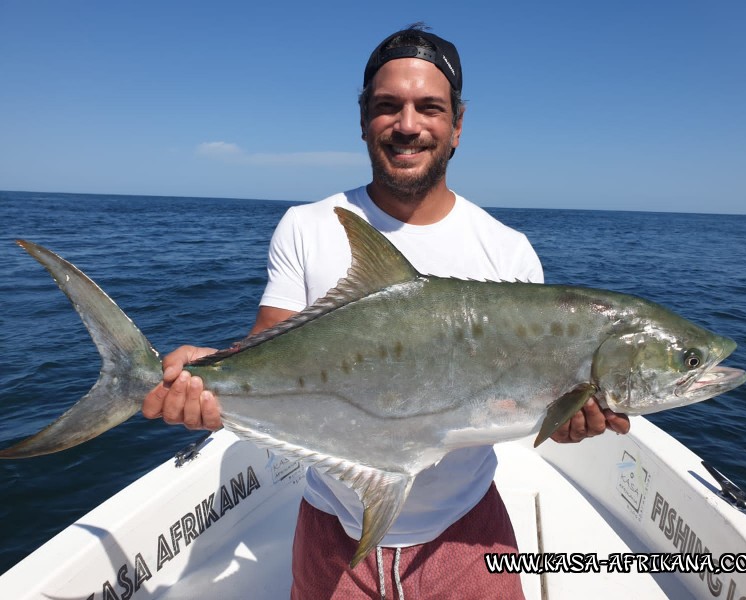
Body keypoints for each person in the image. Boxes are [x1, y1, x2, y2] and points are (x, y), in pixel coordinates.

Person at [143, 24, 630, 599]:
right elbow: (268, 348)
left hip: (467, 536)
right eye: (387, 107)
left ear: (457, 126)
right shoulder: (307, 226)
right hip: (330, 534)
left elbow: (526, 401)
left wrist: (566, 420)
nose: (407, 125)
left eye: (429, 107)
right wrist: (210, 379)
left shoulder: (507, 250)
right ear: (363, 119)